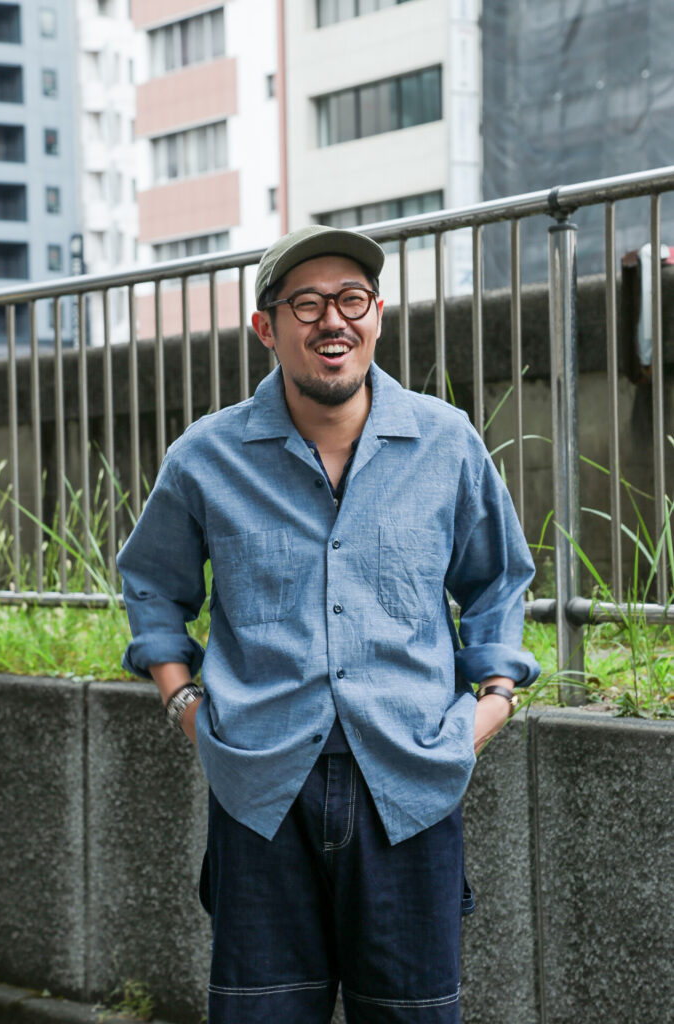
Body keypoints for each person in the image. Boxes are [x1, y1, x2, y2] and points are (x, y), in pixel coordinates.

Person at [117, 224, 540, 1024]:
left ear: (377, 314)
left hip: (408, 788)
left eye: (351, 298)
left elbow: (497, 578)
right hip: (261, 791)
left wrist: (489, 704)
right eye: (306, 304)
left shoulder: (445, 443)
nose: (332, 320)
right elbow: (150, 583)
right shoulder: (206, 456)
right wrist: (184, 705)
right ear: (265, 327)